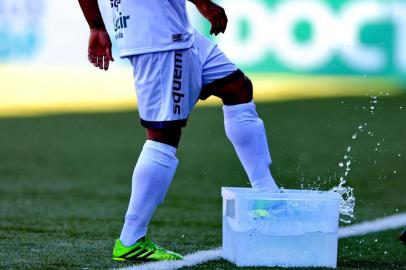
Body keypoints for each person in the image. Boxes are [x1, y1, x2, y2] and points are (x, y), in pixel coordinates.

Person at [78, 0, 279, 261]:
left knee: (237, 88)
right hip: (160, 39)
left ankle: (267, 193)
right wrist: (204, 5)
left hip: (177, 33)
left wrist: (96, 26)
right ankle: (131, 239)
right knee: (164, 137)